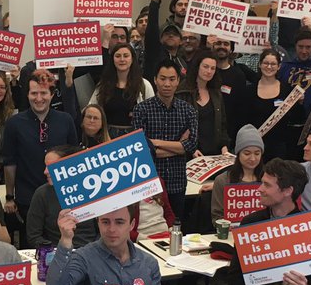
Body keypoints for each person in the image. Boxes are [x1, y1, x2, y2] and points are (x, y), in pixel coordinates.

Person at [3, 73, 78, 221]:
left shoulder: (66, 120)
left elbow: (74, 159)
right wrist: (9, 197)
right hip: (27, 198)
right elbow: (10, 163)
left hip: (61, 196)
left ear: (52, 94)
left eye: (43, 93)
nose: (38, 98)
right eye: (34, 93)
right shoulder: (14, 124)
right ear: (27, 95)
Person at [131, 60, 198, 219]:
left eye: (172, 79)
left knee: (176, 225)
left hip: (177, 181)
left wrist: (155, 143)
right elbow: (141, 149)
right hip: (150, 182)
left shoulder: (188, 110)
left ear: (178, 81)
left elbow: (191, 145)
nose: (167, 84)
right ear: (155, 80)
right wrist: (178, 147)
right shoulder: (141, 110)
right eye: (162, 78)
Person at [25, 145, 97, 249]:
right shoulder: (42, 194)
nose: (45, 171)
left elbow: (104, 230)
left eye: (51, 166)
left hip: (92, 251)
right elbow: (34, 236)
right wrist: (56, 252)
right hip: (56, 252)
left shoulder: (93, 189)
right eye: (45, 166)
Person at [88, 44, 152, 137]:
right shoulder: (103, 85)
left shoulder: (144, 85)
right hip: (107, 136)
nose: (122, 59)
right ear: (112, 59)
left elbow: (152, 114)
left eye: (126, 56)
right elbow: (91, 108)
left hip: (135, 137)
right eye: (118, 56)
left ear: (132, 59)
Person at [211, 126, 265, 222]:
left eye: (257, 153)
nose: (253, 158)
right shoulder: (222, 181)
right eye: (247, 153)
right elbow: (217, 217)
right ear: (238, 153)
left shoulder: (269, 180)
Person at [179, 51, 226, 158]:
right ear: (197, 66)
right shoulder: (183, 91)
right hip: (191, 153)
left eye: (213, 68)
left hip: (214, 153)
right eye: (205, 67)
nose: (209, 71)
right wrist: (191, 149)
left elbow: (222, 124)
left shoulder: (216, 93)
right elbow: (178, 125)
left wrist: (224, 146)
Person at [278, 28, 311, 110]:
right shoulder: (285, 67)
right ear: (295, 46)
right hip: (287, 114)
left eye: (308, 47)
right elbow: (276, 99)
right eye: (300, 47)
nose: (304, 51)